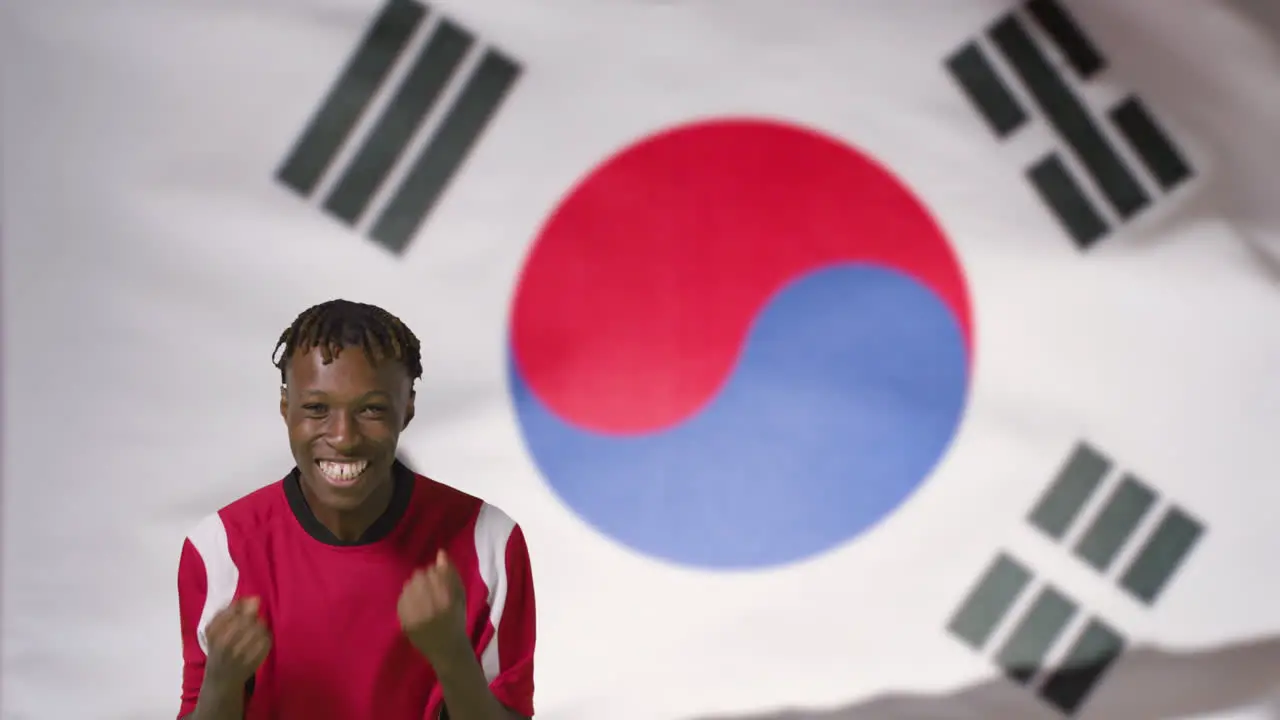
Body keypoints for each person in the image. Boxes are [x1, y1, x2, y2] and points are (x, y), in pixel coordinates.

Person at [176, 299, 535, 720]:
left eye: (371, 409)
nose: (343, 437)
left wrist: (452, 655)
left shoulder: (487, 540)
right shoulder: (220, 549)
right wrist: (222, 682)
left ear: (408, 409)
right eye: (316, 408)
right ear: (284, 408)